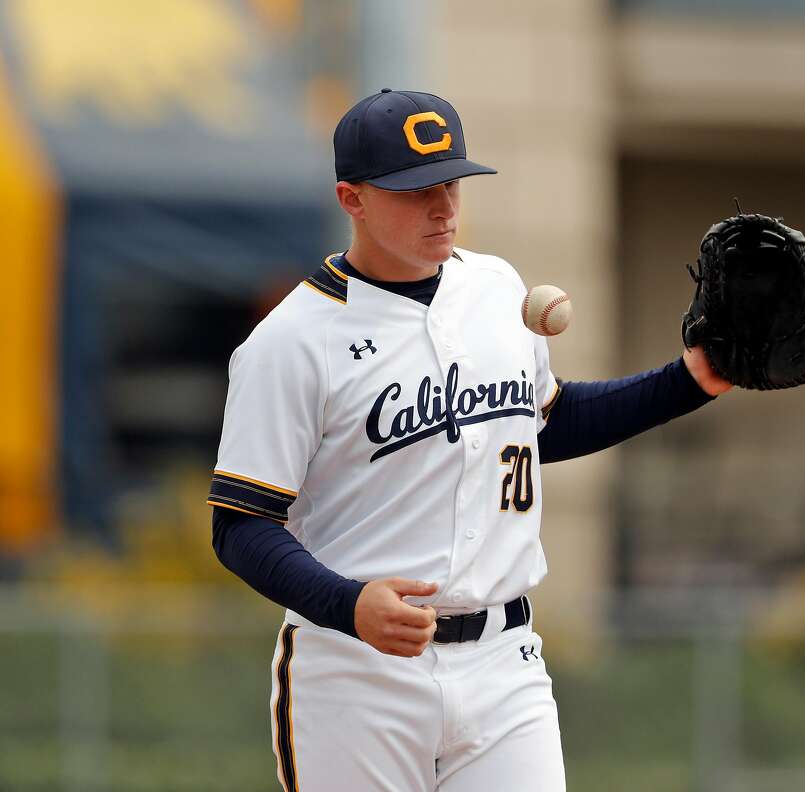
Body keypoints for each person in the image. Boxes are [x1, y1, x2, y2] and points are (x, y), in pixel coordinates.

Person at [208, 89, 731, 792]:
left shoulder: (496, 288)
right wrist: (348, 604)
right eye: (414, 190)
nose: (443, 207)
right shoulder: (292, 343)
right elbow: (240, 524)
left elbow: (545, 423)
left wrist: (691, 379)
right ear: (351, 198)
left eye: (450, 182)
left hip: (503, 665)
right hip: (355, 670)